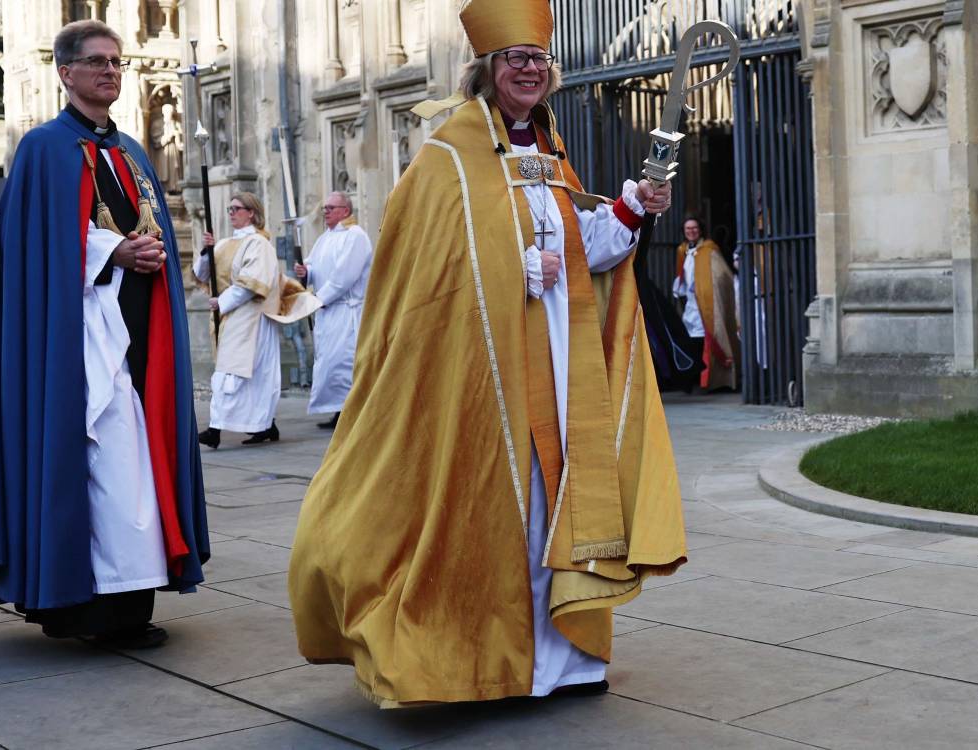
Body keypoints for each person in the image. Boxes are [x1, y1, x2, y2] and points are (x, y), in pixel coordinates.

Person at [288, 0, 688, 706]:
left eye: (538, 59)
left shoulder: (552, 154)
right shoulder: (447, 158)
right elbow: (428, 274)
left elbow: (582, 251)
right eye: (515, 59)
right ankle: (488, 660)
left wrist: (628, 210)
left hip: (561, 369)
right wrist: (514, 268)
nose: (530, 70)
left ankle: (563, 663)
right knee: (506, 509)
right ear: (488, 70)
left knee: (558, 503)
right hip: (484, 375)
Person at [0, 20, 209, 646]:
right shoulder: (43, 149)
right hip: (77, 338)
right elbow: (38, 246)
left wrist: (147, 259)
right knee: (95, 462)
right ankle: (80, 604)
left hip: (137, 334)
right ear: (65, 73)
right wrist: (112, 254)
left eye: (117, 63)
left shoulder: (133, 153)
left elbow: (147, 232)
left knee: (135, 468)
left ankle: (129, 603)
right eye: (96, 63)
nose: (110, 72)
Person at [195, 193, 285, 448]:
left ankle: (215, 430)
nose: (231, 212)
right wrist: (206, 251)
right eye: (229, 208)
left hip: (251, 316)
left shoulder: (259, 244)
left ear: (252, 213)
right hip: (231, 315)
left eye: (236, 208)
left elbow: (251, 282)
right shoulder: (224, 244)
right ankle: (266, 425)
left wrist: (221, 302)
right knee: (247, 375)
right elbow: (202, 274)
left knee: (232, 372)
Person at [293, 191, 373, 431]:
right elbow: (314, 267)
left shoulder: (355, 236)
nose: (325, 212)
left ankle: (352, 412)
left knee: (345, 362)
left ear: (345, 211)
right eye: (324, 208)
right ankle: (339, 410)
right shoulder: (325, 238)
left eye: (330, 208)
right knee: (329, 364)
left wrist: (319, 298)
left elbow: (344, 276)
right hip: (327, 311)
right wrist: (304, 272)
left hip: (346, 311)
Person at [673, 216, 740, 392]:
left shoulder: (710, 250)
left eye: (694, 228)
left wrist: (706, 289)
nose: (691, 232)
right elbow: (682, 274)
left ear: (700, 229)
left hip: (708, 303)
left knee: (710, 338)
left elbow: (722, 276)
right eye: (688, 229)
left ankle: (715, 381)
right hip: (691, 304)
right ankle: (693, 380)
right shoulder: (682, 250)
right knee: (691, 341)